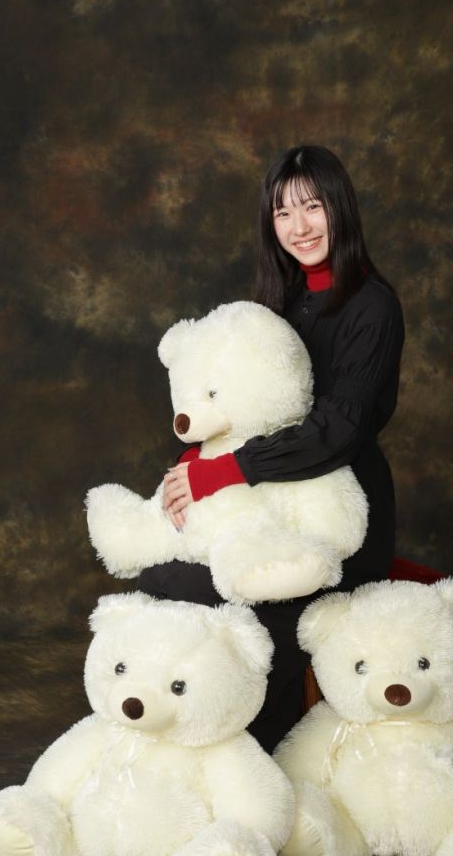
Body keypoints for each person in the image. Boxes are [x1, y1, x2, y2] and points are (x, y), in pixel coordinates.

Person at [138, 145, 405, 753]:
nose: (300, 226)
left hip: (340, 515)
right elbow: (239, 404)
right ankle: (167, 741)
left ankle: (247, 754)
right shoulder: (277, 302)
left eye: (313, 207)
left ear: (340, 209)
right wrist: (194, 465)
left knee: (243, 608)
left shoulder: (374, 307)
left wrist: (223, 473)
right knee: (162, 579)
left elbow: (338, 430)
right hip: (266, 507)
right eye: (283, 212)